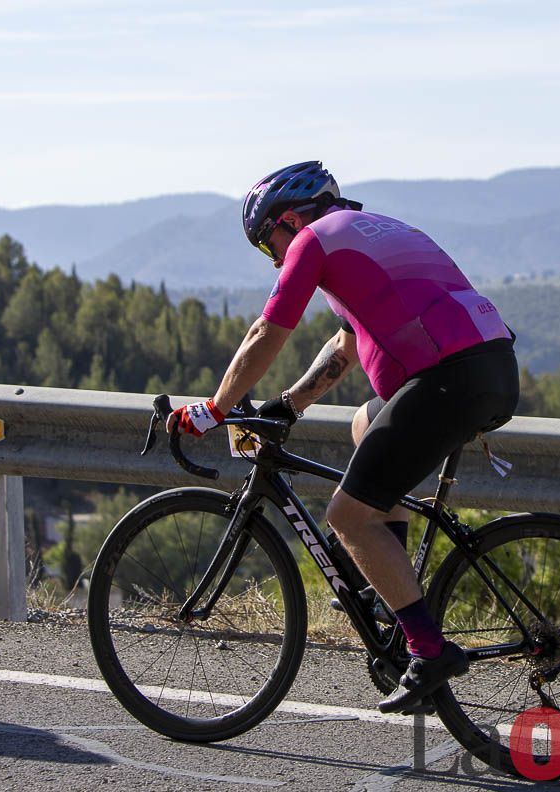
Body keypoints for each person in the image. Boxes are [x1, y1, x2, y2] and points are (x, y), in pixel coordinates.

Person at [165, 160, 519, 714]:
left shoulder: (311, 242)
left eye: (267, 245)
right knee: (364, 422)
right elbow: (348, 344)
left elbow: (267, 331)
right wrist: (288, 404)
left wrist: (216, 408)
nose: (276, 258)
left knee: (347, 516)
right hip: (489, 368)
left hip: (448, 379)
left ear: (286, 221)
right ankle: (393, 600)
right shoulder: (373, 231)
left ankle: (428, 650)